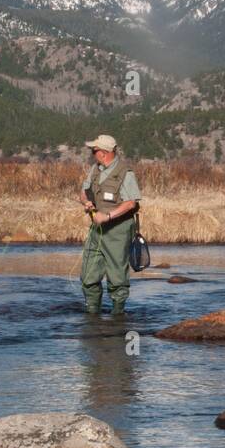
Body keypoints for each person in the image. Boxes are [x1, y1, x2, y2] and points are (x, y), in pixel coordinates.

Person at [76, 134, 141, 315]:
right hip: (96, 231)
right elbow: (83, 192)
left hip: (118, 231)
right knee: (88, 276)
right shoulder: (95, 169)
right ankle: (92, 315)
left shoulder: (125, 173)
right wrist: (86, 202)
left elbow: (130, 203)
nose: (92, 153)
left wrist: (108, 216)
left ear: (103, 153)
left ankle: (118, 318)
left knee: (117, 278)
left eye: (94, 150)